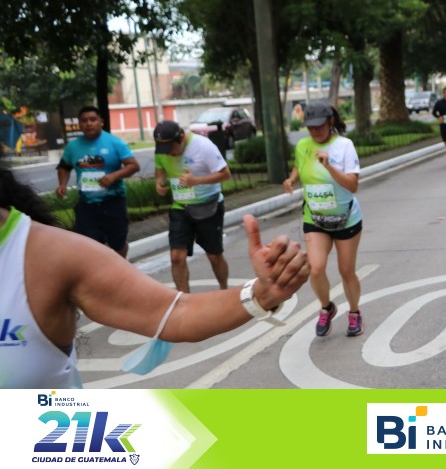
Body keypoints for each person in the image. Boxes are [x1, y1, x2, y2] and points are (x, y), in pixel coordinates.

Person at [0, 167, 309, 389]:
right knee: (177, 256)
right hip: (180, 213)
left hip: (44, 445)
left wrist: (261, 295)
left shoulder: (54, 255)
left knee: (202, 255)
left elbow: (176, 313)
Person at [283, 102, 364, 337]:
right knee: (316, 268)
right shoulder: (303, 145)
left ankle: (354, 313)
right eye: (310, 127)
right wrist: (291, 179)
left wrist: (329, 167)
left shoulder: (344, 146)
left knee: (346, 271)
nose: (315, 131)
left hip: (346, 218)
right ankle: (327, 308)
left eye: (319, 126)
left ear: (330, 122)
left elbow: (353, 185)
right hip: (315, 218)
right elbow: (299, 166)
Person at [154, 120, 231, 293]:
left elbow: (225, 174)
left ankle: (224, 290)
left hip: (208, 206)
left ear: (181, 138)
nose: (169, 154)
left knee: (214, 255)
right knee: (176, 256)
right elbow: (160, 169)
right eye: (164, 150)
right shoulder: (162, 150)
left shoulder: (203, 146)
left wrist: (196, 181)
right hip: (180, 207)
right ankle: (184, 299)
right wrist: (159, 182)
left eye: (171, 149)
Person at [55, 106, 139, 257]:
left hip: (113, 202)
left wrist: (113, 176)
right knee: (90, 246)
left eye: (93, 120)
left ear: (101, 122)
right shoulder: (73, 146)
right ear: (79, 124)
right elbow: (64, 167)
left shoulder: (115, 142)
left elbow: (133, 166)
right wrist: (62, 184)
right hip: (86, 205)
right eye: (84, 121)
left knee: (118, 244)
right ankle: (100, 271)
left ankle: (120, 266)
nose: (88, 124)